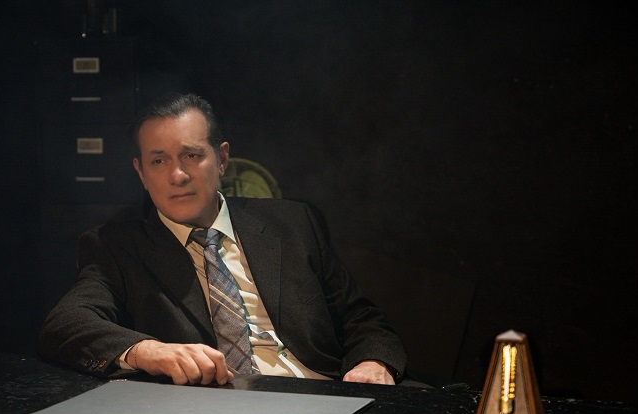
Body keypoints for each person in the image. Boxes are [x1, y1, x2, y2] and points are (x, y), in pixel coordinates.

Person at [38, 92, 410, 387]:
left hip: (321, 390)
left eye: (191, 155)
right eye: (158, 161)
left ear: (222, 159)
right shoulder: (116, 246)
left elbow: (361, 318)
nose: (177, 175)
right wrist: (146, 350)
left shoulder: (293, 223)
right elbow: (66, 323)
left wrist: (373, 363)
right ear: (140, 173)